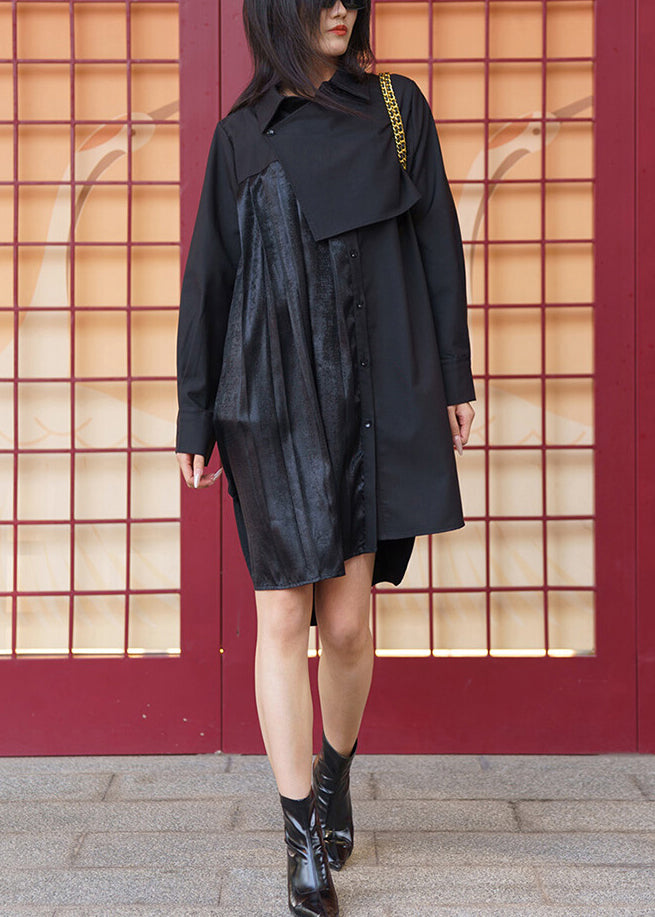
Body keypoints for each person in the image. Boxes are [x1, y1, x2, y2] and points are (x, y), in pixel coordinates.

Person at [175, 0, 475, 913]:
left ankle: (333, 772)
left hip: (369, 396)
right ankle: (301, 836)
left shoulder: (396, 108)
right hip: (269, 400)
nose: (339, 7)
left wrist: (452, 376)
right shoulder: (241, 134)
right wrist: (195, 414)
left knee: (346, 626)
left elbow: (437, 245)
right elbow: (210, 277)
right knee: (280, 615)